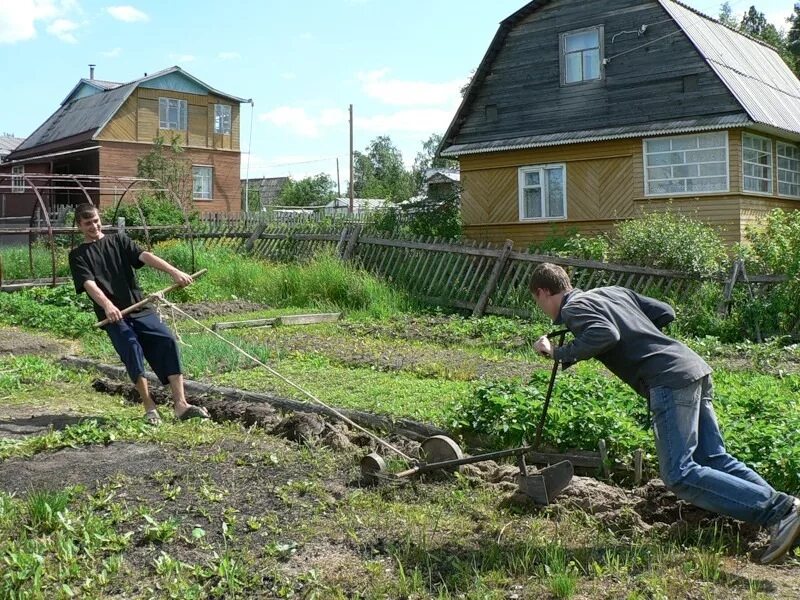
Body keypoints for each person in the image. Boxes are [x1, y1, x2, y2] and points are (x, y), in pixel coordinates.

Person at [529, 262, 799, 564]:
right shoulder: (611, 293)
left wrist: (556, 351)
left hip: (668, 380)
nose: (541, 308)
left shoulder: (574, 308)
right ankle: (788, 514)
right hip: (690, 367)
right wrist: (641, 333)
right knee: (713, 458)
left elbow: (606, 334)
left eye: (538, 301)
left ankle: (781, 511)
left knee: (678, 473)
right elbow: (665, 311)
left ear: (543, 292)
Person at [69, 203, 209, 424]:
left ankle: (181, 405)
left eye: (96, 221)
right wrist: (107, 305)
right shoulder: (78, 255)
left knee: (166, 340)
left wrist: (174, 271)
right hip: (114, 316)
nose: (94, 226)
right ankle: (149, 406)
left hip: (139, 307)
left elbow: (144, 256)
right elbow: (89, 284)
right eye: (88, 223)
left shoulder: (118, 241)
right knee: (131, 347)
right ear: (79, 226)